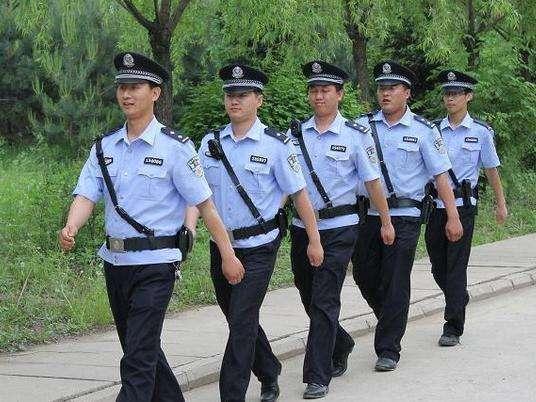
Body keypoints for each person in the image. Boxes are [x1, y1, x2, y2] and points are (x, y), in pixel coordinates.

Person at [58, 52, 244, 402]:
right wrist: (71, 226)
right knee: (140, 347)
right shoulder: (104, 147)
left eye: (136, 87)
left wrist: (227, 255)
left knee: (137, 358)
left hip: (156, 265)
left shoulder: (176, 148)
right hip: (116, 264)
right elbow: (86, 195)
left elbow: (205, 205)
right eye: (122, 88)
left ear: (155, 93)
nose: (127, 95)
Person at [191, 63, 323, 402]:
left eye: (242, 95)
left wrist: (314, 239)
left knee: (241, 319)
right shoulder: (210, 143)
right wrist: (189, 229)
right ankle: (268, 369)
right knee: (238, 317)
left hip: (260, 245)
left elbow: (299, 194)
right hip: (222, 245)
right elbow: (198, 194)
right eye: (230, 95)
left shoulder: (276, 145)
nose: (234, 101)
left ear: (258, 100)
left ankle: (231, 395)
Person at [288, 60, 394, 399]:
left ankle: (317, 375)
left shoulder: (355, 136)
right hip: (302, 227)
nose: (318, 96)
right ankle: (341, 341)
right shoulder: (294, 136)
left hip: (340, 227)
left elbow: (373, 182)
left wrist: (386, 220)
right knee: (306, 291)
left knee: (324, 297)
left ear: (339, 94)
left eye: (325, 90)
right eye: (314, 90)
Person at [352, 60, 463, 372]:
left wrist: (452, 216)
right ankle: (391, 316)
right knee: (363, 274)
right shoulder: (361, 127)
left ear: (407, 93)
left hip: (405, 215)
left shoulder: (423, 131)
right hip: (368, 214)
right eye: (381, 88)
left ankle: (388, 348)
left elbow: (440, 176)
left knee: (396, 279)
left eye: (392, 88)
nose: (385, 93)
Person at [426, 69, 507, 347]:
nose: (450, 99)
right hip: (435, 206)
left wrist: (500, 204)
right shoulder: (433, 130)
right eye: (447, 94)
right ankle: (458, 296)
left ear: (468, 96)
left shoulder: (480, 132)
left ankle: (453, 327)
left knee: (456, 267)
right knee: (437, 266)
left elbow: (492, 169)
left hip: (463, 207)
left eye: (456, 94)